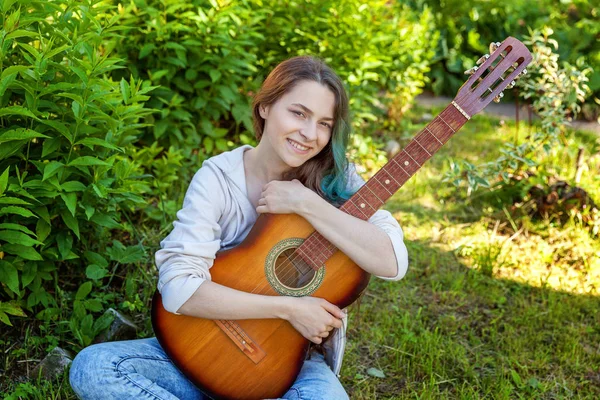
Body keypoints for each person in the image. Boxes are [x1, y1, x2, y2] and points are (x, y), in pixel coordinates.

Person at [69, 55, 409, 399]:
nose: (310, 134)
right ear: (265, 107)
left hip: (288, 367)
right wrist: (289, 308)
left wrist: (306, 203)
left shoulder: (339, 180)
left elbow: (392, 263)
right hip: (199, 346)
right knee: (95, 368)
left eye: (324, 123)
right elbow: (177, 288)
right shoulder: (218, 178)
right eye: (299, 113)